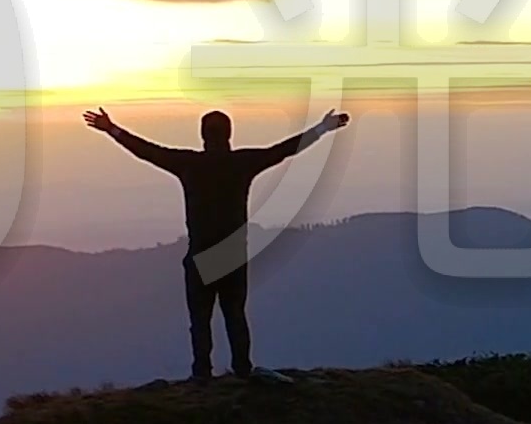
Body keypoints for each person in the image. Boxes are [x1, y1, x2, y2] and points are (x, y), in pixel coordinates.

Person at [83, 104, 351, 380]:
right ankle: (243, 370)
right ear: (229, 134)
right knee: (235, 314)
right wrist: (322, 128)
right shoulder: (242, 163)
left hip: (200, 255)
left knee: (200, 319)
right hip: (232, 256)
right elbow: (283, 150)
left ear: (202, 135)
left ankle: (202, 373)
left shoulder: (188, 164)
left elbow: (147, 150)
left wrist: (112, 129)